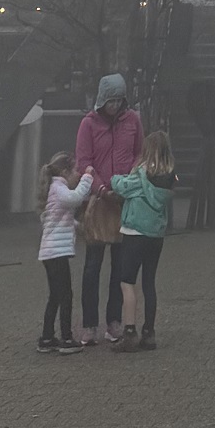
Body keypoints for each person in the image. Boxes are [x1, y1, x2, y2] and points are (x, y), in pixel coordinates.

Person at [73, 74, 142, 346]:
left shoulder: (133, 120)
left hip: (124, 201)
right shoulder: (88, 125)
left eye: (118, 101)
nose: (114, 106)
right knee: (92, 267)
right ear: (102, 100)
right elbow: (84, 162)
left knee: (120, 267)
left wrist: (127, 184)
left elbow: (139, 154)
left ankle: (114, 322)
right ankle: (89, 325)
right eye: (110, 101)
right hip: (99, 203)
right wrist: (102, 189)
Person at [110, 130, 177, 351]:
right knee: (149, 282)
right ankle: (149, 332)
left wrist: (114, 178)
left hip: (135, 233)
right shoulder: (169, 178)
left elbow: (121, 186)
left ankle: (129, 332)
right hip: (155, 236)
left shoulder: (142, 174)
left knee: (127, 282)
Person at [36, 151, 90, 354]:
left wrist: (76, 225)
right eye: (76, 170)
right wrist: (88, 177)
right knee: (66, 295)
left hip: (49, 252)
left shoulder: (53, 189)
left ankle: (47, 337)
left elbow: (58, 219)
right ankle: (67, 338)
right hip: (56, 253)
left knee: (55, 296)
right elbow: (76, 199)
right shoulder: (59, 189)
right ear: (66, 171)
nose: (77, 174)